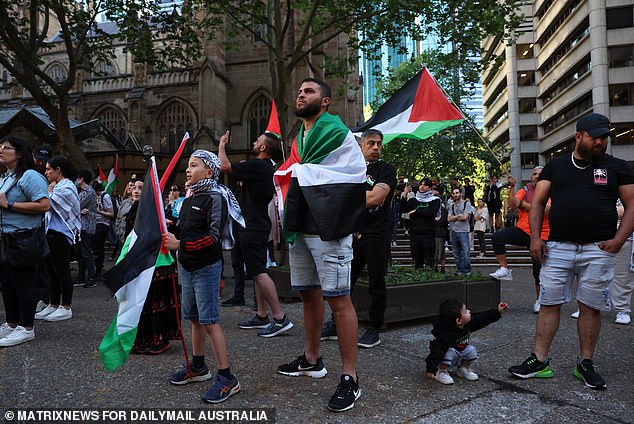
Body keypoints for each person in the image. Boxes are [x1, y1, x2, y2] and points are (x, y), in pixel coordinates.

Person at [508, 112, 634, 390]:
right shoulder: (557, 166)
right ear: (579, 136)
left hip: (597, 249)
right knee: (549, 303)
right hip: (558, 247)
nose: (602, 141)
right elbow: (538, 202)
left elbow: (632, 204)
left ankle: (585, 363)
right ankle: (540, 361)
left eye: (605, 137)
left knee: (590, 307)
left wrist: (619, 240)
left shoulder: (618, 167)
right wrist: (535, 239)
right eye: (596, 136)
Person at [275, 78, 366, 412]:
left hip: (329, 229)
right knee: (308, 294)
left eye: (309, 91)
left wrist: (298, 171)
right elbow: (296, 172)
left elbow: (353, 173)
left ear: (325, 101)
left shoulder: (335, 131)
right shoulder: (301, 136)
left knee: (339, 300)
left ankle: (350, 378)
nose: (301, 94)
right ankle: (312, 359)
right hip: (302, 227)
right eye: (299, 91)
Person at [165, 150, 242, 403]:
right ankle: (198, 367)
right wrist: (169, 228)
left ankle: (227, 378)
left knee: (209, 321)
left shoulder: (215, 197)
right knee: (194, 319)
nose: (187, 169)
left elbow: (212, 238)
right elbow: (184, 230)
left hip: (206, 268)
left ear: (210, 172)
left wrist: (180, 244)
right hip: (186, 267)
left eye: (194, 165)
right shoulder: (188, 199)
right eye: (187, 165)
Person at [321, 129, 395, 348]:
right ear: (361, 145)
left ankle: (374, 328)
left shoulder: (386, 170)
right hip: (352, 234)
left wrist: (346, 197)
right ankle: (336, 323)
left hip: (376, 234)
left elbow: (376, 197)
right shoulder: (352, 170)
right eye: (371, 143)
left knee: (376, 282)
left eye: (379, 144)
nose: (376, 148)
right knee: (344, 283)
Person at [218, 129, 294, 338]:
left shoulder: (259, 165)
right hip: (254, 225)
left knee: (259, 272)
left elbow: (224, 166)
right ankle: (262, 315)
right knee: (257, 269)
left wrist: (222, 145)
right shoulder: (264, 168)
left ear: (263, 148)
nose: (254, 141)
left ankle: (280, 318)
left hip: (253, 226)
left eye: (258, 140)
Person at [0, 136, 50, 347]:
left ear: (19, 153)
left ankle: (26, 328)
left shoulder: (30, 176)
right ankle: (12, 324)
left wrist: (10, 205)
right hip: (6, 239)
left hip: (24, 239)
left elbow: (44, 205)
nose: (1, 150)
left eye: (6, 148)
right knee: (8, 284)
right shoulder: (6, 177)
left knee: (24, 284)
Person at [489, 169, 550, 314]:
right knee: (497, 237)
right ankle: (504, 269)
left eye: (541, 173)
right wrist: (511, 187)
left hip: (542, 234)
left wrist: (525, 205)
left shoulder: (550, 190)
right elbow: (514, 204)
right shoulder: (525, 189)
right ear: (531, 177)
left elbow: (546, 210)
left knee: (538, 270)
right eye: (535, 174)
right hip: (523, 230)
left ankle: (540, 300)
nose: (537, 176)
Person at [35, 156, 81, 322]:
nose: (46, 172)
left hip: (61, 234)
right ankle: (53, 305)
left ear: (58, 169)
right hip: (51, 233)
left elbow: (47, 201)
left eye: (48, 169)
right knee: (51, 273)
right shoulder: (57, 186)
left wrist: (48, 190)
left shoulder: (67, 186)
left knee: (62, 272)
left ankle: (66, 307)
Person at [426, 298, 508, 384]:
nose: (469, 311)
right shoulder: (445, 334)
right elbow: (435, 352)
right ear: (458, 320)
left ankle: (463, 368)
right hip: (450, 355)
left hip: (461, 352)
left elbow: (482, 319)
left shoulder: (467, 324)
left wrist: (498, 312)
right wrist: (431, 369)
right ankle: (441, 372)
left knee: (471, 350)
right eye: (465, 311)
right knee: (449, 352)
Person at [32, 145, 53, 313]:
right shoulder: (29, 174)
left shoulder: (50, 178)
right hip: (33, 225)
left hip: (43, 227)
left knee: (43, 265)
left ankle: (44, 298)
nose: (40, 162)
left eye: (43, 160)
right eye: (38, 158)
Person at [407, 178, 441, 269]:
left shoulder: (435, 200)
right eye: (421, 184)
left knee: (429, 257)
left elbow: (431, 212)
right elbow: (404, 210)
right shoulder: (413, 200)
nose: (422, 186)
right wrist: (405, 194)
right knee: (417, 259)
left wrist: (416, 211)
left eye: (425, 185)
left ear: (430, 187)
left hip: (428, 233)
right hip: (414, 232)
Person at [610, 199, 633, 325]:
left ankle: (622, 309)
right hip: (598, 235)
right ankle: (587, 307)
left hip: (626, 236)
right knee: (591, 272)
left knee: (623, 275)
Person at [74, 170, 98, 288]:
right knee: (79, 253)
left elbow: (75, 205)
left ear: (81, 178)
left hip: (86, 226)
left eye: (77, 179)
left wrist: (77, 210)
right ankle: (81, 277)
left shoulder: (89, 191)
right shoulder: (81, 191)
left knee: (86, 253)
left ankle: (91, 278)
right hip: (79, 226)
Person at [91, 181, 114, 281]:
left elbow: (111, 214)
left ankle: (99, 270)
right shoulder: (93, 196)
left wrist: (98, 211)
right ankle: (97, 268)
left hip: (102, 224)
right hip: (93, 224)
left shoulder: (105, 197)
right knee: (95, 248)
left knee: (99, 248)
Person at [447, 188, 472, 275]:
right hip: (454, 231)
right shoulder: (451, 205)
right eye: (453, 193)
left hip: (464, 231)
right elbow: (449, 219)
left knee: (466, 251)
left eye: (457, 193)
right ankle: (460, 270)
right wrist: (458, 216)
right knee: (456, 253)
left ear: (461, 194)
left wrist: (454, 217)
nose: (455, 195)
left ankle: (467, 270)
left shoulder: (466, 204)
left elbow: (465, 217)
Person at [112, 178, 136, 260]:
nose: (129, 187)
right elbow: (118, 217)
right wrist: (118, 231)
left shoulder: (139, 203)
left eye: (132, 186)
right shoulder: (125, 202)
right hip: (122, 236)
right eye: (128, 185)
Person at [434, 201, 449, 273]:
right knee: (435, 251)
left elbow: (444, 221)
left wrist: (436, 222)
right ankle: (435, 267)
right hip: (433, 233)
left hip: (441, 233)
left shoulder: (444, 210)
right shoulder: (432, 209)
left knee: (441, 251)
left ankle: (443, 268)